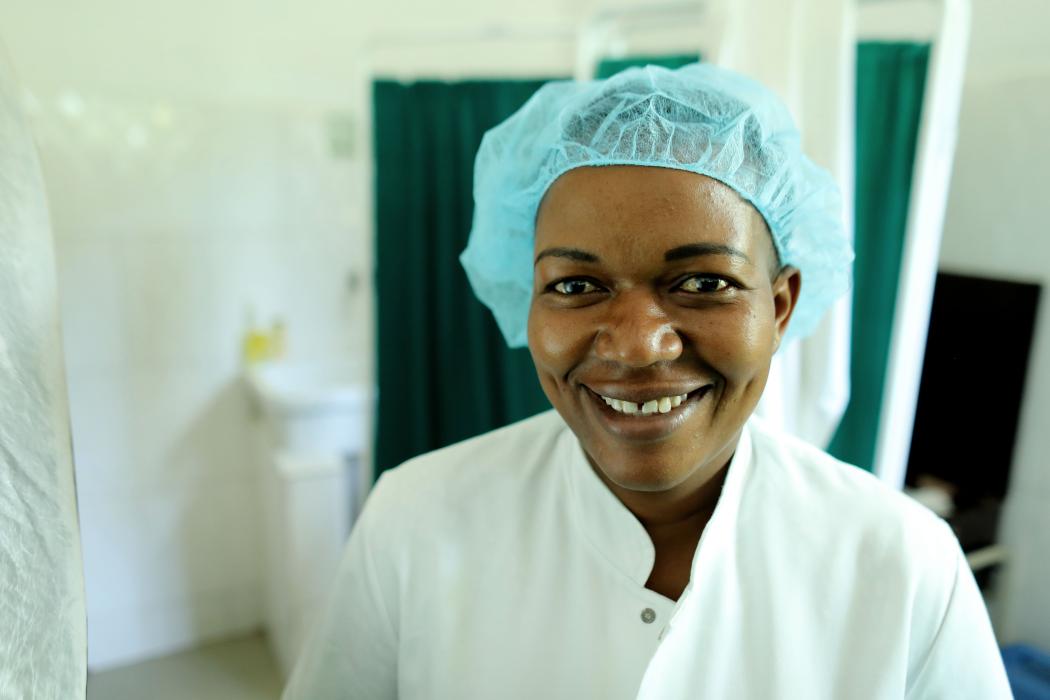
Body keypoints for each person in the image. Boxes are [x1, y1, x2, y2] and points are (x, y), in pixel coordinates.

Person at [283, 63, 1011, 699]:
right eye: (575, 286)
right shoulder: (414, 519)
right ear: (525, 297)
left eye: (703, 281)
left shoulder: (903, 567)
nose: (637, 347)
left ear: (780, 305)